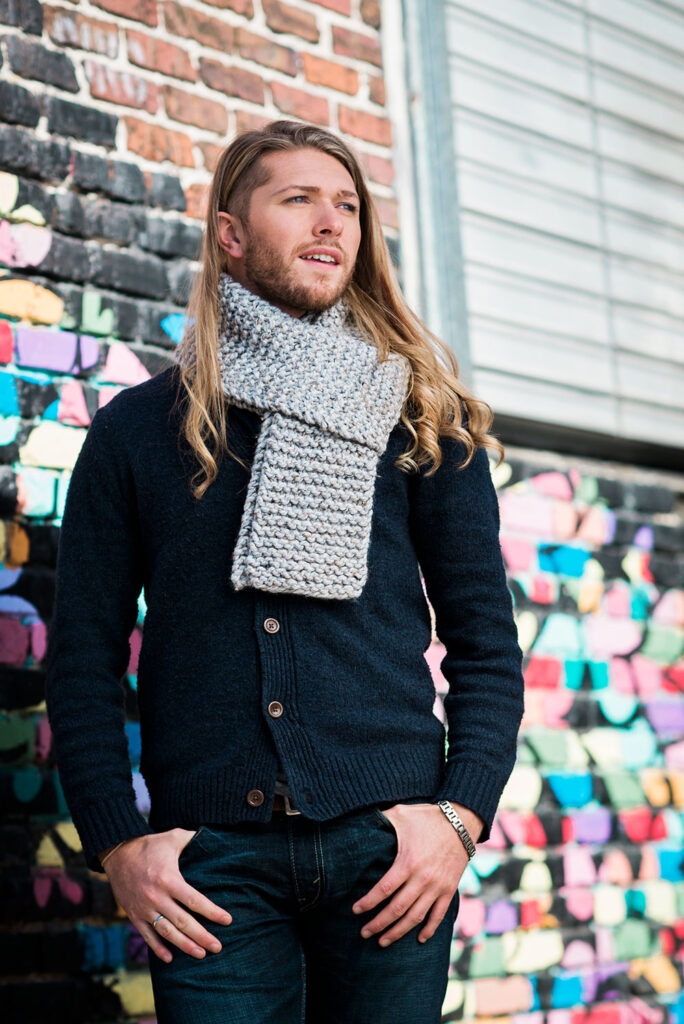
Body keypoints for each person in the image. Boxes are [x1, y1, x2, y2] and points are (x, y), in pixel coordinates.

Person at [45, 119, 525, 1023]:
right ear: (231, 234)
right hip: (212, 872)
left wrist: (458, 822)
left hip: (392, 856)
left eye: (346, 205)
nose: (330, 223)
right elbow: (80, 664)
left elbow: (487, 649)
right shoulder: (138, 431)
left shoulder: (423, 418)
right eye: (298, 199)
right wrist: (119, 845)